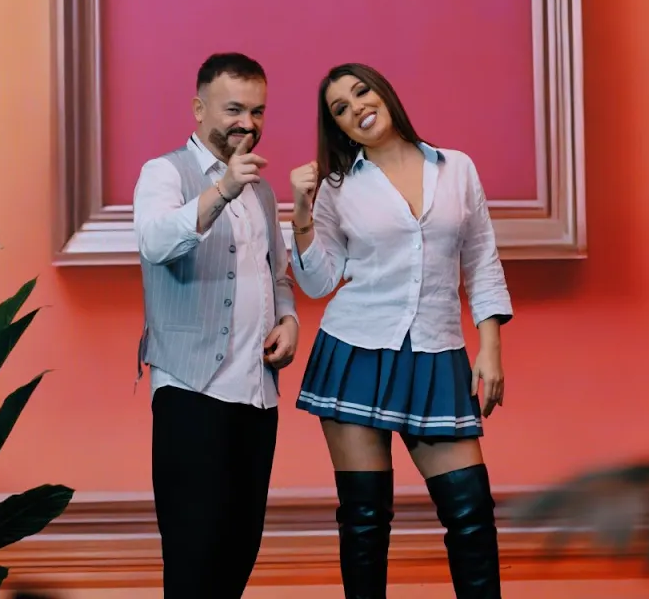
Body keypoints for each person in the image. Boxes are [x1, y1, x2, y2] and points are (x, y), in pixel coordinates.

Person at [289, 62, 512, 598]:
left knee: (471, 511)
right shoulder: (338, 187)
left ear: (383, 92)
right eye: (341, 109)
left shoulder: (456, 168)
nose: (357, 108)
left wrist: (490, 349)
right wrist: (300, 211)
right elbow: (318, 281)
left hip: (437, 351)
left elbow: (481, 261)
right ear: (338, 127)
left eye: (361, 92)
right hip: (355, 352)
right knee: (365, 519)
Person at [133, 52, 300, 599]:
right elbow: (156, 242)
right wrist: (223, 189)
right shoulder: (164, 173)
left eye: (257, 111)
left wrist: (290, 319)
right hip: (191, 390)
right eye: (233, 109)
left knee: (238, 554)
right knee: (193, 560)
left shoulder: (262, 190)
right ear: (199, 107)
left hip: (257, 396)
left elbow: (276, 274)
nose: (247, 123)